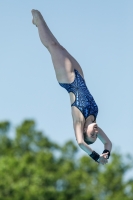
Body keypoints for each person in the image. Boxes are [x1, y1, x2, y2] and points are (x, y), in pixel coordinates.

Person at [31, 9, 112, 165]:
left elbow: (81, 143)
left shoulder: (79, 120)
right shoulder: (94, 117)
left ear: (84, 131)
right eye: (96, 135)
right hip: (79, 75)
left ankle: (38, 21)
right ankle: (38, 23)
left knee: (53, 47)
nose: (96, 132)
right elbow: (108, 143)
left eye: (93, 134)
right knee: (60, 47)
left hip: (68, 80)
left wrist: (96, 157)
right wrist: (106, 154)